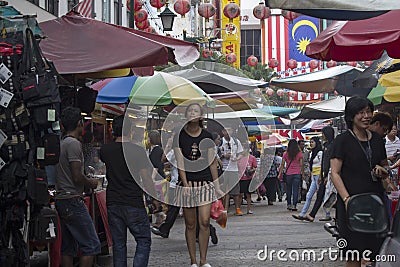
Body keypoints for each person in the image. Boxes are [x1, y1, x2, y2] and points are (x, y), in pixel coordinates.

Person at [330, 96, 391, 267]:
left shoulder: (378, 140)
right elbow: (335, 173)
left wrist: (383, 172)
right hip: (352, 204)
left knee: (376, 252)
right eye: (361, 113)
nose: (366, 116)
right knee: (354, 254)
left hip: (375, 203)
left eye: (369, 112)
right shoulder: (342, 141)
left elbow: (386, 168)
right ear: (351, 117)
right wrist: (347, 199)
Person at [100, 115, 158, 267]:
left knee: (119, 245)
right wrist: (154, 198)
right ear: (131, 130)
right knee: (143, 240)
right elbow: (146, 178)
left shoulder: (105, 150)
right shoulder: (137, 150)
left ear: (113, 130)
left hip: (113, 201)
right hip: (133, 201)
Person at [173, 103, 223, 267]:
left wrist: (216, 185)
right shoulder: (179, 135)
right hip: (187, 184)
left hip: (205, 183)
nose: (192, 113)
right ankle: (193, 260)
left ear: (201, 116)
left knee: (204, 221)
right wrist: (185, 183)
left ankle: (203, 259)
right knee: (190, 223)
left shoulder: (207, 136)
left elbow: (212, 162)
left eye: (196, 111)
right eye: (190, 111)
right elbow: (180, 161)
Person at [55, 107, 101, 267]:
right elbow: (76, 176)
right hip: (72, 200)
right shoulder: (73, 144)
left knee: (68, 248)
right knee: (92, 245)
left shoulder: (61, 143)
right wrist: (91, 182)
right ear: (80, 124)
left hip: (63, 199)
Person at [220, 127, 244, 215]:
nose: (228, 132)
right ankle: (224, 209)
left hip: (234, 169)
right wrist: (223, 155)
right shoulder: (220, 141)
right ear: (223, 132)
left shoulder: (236, 141)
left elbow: (241, 153)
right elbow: (215, 154)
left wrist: (237, 158)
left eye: (229, 130)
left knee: (236, 191)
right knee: (224, 190)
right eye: (226, 130)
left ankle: (237, 209)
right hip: (223, 169)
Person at [278, 139, 304, 211]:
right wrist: (303, 174)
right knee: (295, 189)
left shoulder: (285, 154)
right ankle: (294, 205)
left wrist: (279, 174)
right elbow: (301, 165)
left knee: (288, 189)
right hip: (297, 173)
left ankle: (289, 204)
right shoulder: (299, 153)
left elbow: (282, 164)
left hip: (288, 174)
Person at [237, 146, 257, 214]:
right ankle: (238, 209)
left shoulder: (252, 158)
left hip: (249, 178)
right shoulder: (239, 158)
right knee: (240, 194)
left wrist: (251, 170)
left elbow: (255, 167)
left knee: (248, 194)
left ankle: (248, 209)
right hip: (241, 178)